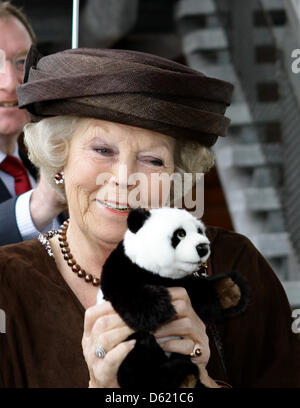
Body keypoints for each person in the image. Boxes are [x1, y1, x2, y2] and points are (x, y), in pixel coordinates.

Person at [0, 46, 299, 388]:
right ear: (59, 161)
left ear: (175, 177)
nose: (125, 177)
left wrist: (204, 382)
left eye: (153, 161)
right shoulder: (7, 283)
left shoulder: (233, 263)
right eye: (102, 150)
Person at [0, 1, 65, 245]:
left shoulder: (42, 168)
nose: (10, 83)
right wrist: (38, 207)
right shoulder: (47, 189)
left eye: (21, 61)